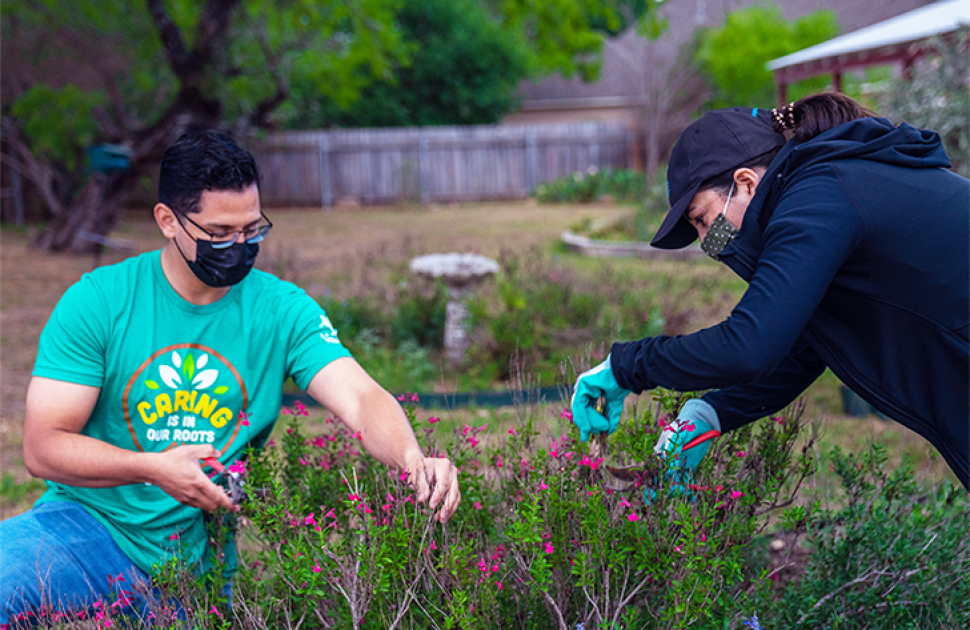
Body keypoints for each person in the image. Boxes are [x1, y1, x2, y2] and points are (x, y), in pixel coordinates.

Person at [0, 129, 461, 622]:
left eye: (251, 230)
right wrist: (151, 468)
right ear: (167, 221)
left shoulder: (282, 310)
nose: (238, 246)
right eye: (218, 234)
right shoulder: (99, 301)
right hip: (88, 529)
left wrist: (411, 457)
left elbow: (361, 395)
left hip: (194, 561)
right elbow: (43, 446)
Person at [571, 92, 970, 492]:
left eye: (704, 219)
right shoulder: (833, 181)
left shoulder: (819, 198)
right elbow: (808, 345)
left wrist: (625, 366)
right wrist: (709, 412)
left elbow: (749, 345)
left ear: (746, 182)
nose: (708, 242)